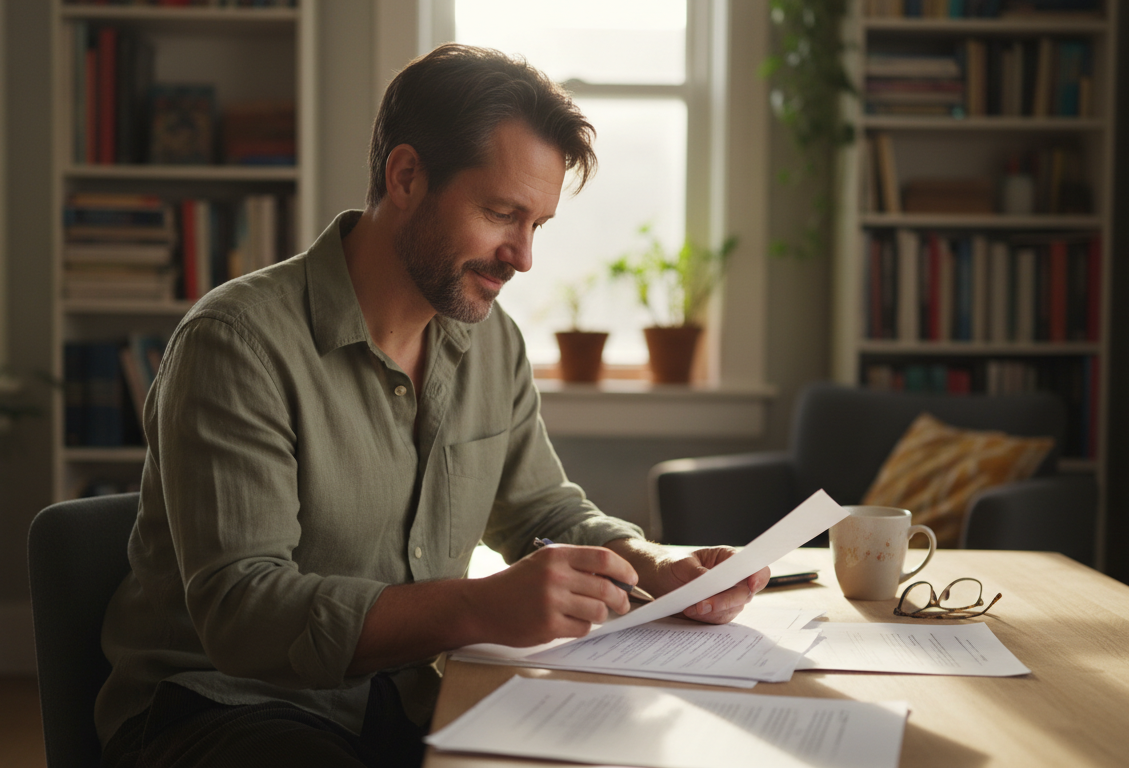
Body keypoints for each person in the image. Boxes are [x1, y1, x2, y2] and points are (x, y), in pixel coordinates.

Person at [96, 43, 772, 768]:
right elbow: (244, 613)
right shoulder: (237, 343)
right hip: (223, 710)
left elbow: (544, 514)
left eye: (536, 225)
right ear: (407, 176)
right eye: (501, 213)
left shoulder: (492, 343)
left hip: (408, 698)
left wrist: (649, 567)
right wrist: (478, 606)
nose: (523, 256)